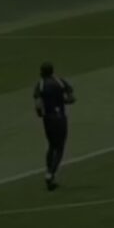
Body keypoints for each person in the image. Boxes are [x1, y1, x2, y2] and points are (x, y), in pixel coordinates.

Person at [34, 62, 75, 191]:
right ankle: (51, 174)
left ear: (42, 72)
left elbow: (38, 104)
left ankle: (48, 172)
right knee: (60, 147)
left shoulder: (40, 84)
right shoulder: (59, 81)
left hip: (48, 119)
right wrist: (63, 101)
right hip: (60, 118)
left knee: (52, 145)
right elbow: (71, 98)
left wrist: (40, 113)